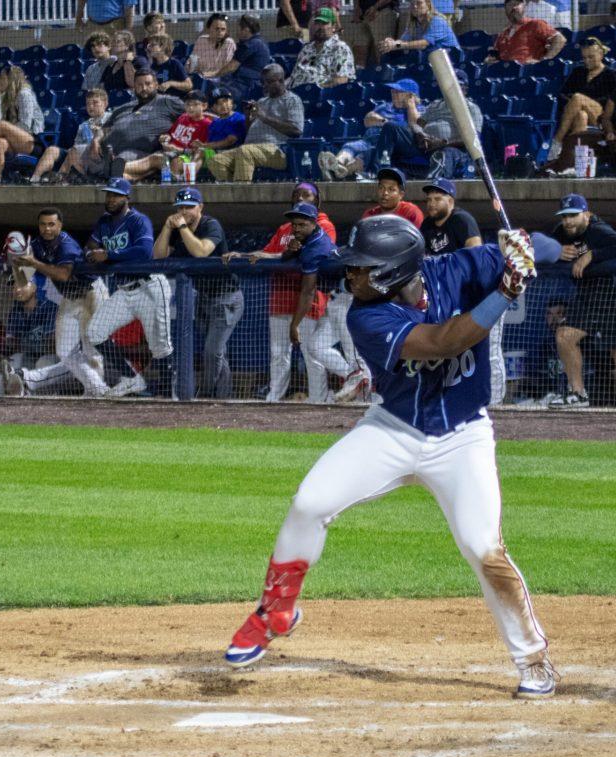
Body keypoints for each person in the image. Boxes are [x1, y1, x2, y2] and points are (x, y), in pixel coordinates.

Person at [222, 215, 564, 703]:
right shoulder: (365, 317)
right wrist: (506, 292)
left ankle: (534, 660)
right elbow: (445, 341)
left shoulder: (461, 267)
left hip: (464, 438)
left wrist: (525, 249)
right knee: (310, 502)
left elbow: (547, 245)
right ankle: (276, 610)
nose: (351, 276)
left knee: (482, 547)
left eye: (361, 268)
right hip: (393, 429)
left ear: (392, 271)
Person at [224, 182, 338, 403]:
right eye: (297, 195)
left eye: (307, 195)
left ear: (317, 200)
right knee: (278, 354)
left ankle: (318, 400)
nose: (301, 198)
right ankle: (273, 400)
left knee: (311, 355)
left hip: (308, 300)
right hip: (281, 297)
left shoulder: (323, 225)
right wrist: (242, 254)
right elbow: (267, 254)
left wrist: (296, 251)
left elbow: (320, 256)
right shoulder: (285, 228)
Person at [250, 202, 354, 404]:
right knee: (316, 347)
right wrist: (289, 250)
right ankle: (357, 379)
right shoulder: (310, 239)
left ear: (313, 223)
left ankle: (365, 384)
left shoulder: (316, 247)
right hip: (336, 299)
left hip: (347, 300)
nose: (296, 228)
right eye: (294, 224)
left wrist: (294, 325)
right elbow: (288, 256)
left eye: (301, 224)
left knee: (353, 353)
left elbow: (307, 292)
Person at [547, 193, 616, 410]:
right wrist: (556, 250)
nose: (568, 221)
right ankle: (578, 394)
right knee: (564, 336)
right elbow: (539, 245)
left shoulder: (597, 229)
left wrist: (591, 255)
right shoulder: (561, 233)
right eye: (564, 216)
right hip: (589, 294)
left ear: (586, 214)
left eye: (573, 215)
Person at [9, 207, 110, 397]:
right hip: (70, 297)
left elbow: (63, 275)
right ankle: (99, 389)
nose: (47, 229)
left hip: (92, 293)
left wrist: (34, 263)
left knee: (92, 350)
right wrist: (17, 264)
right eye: (43, 224)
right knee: (64, 351)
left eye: (51, 224)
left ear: (60, 225)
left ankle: (95, 392)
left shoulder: (67, 244)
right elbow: (23, 282)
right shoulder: (37, 245)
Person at [84, 178, 171, 398]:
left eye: (116, 195)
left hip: (149, 286)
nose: (111, 199)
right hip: (125, 290)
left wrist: (109, 255)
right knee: (95, 332)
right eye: (109, 194)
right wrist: (90, 254)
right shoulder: (104, 222)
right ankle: (132, 379)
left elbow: (144, 251)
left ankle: (171, 393)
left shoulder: (138, 220)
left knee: (159, 346)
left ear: (126, 198)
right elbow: (91, 246)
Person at [153, 188, 241, 400]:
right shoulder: (176, 229)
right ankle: (223, 398)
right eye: (180, 207)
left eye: (189, 207)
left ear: (200, 207)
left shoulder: (211, 225)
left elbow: (201, 252)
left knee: (212, 351)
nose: (184, 211)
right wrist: (167, 227)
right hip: (204, 298)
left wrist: (182, 226)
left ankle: (206, 396)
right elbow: (158, 256)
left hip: (226, 297)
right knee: (218, 353)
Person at [419, 178, 498, 405]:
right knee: (451, 346)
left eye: (438, 198)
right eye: (429, 199)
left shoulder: (462, 220)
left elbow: (478, 258)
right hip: (452, 298)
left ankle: (497, 401)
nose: (432, 203)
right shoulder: (426, 227)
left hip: (482, 294)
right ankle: (449, 395)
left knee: (488, 348)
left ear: (450, 201)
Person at [204, 65, 303, 182]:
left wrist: (264, 117)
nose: (265, 85)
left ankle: (241, 193)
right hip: (250, 148)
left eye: (269, 82)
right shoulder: (262, 101)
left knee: (245, 151)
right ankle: (236, 193)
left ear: (281, 81)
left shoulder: (292, 100)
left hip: (278, 150)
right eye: (263, 82)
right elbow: (249, 130)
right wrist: (247, 117)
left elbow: (296, 131)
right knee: (215, 161)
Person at [318, 78, 425, 180]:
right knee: (350, 146)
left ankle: (337, 171)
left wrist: (411, 106)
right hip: (368, 140)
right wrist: (385, 122)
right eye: (393, 91)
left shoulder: (419, 110)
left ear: (410, 95)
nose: (393, 94)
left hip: (388, 146)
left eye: (398, 92)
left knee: (367, 153)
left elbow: (416, 127)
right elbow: (368, 120)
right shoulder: (386, 107)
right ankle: (336, 163)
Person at [100, 70, 185, 182]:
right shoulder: (123, 108)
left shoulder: (167, 102)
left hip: (141, 152)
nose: (144, 88)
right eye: (139, 85)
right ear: (134, 87)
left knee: (119, 166)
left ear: (156, 85)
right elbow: (104, 129)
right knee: (75, 152)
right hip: (109, 154)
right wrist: (97, 139)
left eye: (148, 84)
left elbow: (195, 114)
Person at [545, 37, 616, 164]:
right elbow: (563, 93)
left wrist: (583, 102)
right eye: (584, 58)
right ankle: (575, 162)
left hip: (602, 117)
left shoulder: (612, 75)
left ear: (601, 54)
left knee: (578, 98)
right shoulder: (578, 72)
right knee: (581, 116)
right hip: (576, 114)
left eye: (591, 57)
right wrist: (578, 105)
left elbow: (612, 100)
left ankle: (557, 141)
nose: (587, 61)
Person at [411, 69, 483, 180]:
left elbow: (474, 139)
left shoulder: (471, 108)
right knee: (393, 128)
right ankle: (377, 171)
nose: (450, 89)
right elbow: (418, 124)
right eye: (447, 86)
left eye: (455, 86)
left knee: (445, 153)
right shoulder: (435, 105)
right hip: (426, 144)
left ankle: (436, 184)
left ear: (465, 89)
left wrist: (443, 143)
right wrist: (420, 134)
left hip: (454, 149)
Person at [31, 88, 110, 184]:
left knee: (74, 153)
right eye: (88, 103)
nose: (91, 106)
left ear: (105, 103)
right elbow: (77, 144)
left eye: (95, 103)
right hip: (79, 155)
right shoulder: (83, 125)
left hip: (99, 157)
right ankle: (34, 180)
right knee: (52, 150)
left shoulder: (111, 119)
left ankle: (58, 181)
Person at [0, 65, 45, 186]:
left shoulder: (24, 94)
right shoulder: (6, 98)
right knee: (0, 143)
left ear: (10, 78)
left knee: (1, 125)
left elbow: (26, 126)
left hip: (33, 142)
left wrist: (5, 129)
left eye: (2, 77)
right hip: (17, 141)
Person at [2, 275, 63, 394]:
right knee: (13, 360)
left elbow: (51, 346)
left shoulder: (50, 308)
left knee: (44, 362)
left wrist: (22, 344)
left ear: (34, 287)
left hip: (52, 357)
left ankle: (46, 403)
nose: (17, 290)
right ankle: (16, 398)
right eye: (14, 287)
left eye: (21, 285)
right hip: (29, 355)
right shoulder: (15, 311)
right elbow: (10, 344)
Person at [286, 8, 356, 90]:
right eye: (317, 23)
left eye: (324, 23)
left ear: (334, 26)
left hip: (318, 97)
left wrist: (318, 90)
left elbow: (341, 79)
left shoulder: (340, 48)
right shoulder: (306, 48)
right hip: (295, 94)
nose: (320, 27)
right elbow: (293, 76)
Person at [208, 15, 271, 102]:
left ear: (246, 30)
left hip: (246, 87)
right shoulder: (259, 41)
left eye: (238, 28)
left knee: (211, 92)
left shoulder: (251, 44)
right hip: (245, 83)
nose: (236, 31)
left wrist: (213, 75)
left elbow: (231, 67)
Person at [486, 0, 566, 65]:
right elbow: (495, 56)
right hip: (506, 74)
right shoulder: (503, 34)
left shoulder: (536, 24)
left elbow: (560, 39)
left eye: (517, 4)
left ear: (524, 7)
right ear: (506, 10)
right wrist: (489, 61)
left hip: (529, 73)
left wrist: (544, 60)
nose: (514, 7)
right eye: (510, 5)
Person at [379, 0, 460, 58]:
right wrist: (392, 43)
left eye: (419, 3)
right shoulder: (414, 24)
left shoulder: (437, 21)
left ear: (428, 4)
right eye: (412, 3)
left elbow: (423, 44)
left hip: (450, 60)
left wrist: (396, 45)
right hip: (431, 60)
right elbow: (403, 41)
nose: (415, 6)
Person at [350, 0, 400, 68]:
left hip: (383, 10)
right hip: (362, 14)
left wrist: (375, 7)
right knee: (358, 48)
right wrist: (356, 7)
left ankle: (384, 76)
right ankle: (360, 76)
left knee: (382, 49)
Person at [188, 13, 237, 78]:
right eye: (217, 29)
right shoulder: (201, 40)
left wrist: (210, 74)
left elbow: (228, 69)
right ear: (208, 29)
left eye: (223, 29)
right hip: (201, 78)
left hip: (221, 79)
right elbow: (192, 63)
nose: (220, 32)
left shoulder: (229, 43)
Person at [144, 33, 192, 98]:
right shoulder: (152, 66)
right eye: (149, 45)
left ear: (162, 47)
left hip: (173, 101)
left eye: (152, 45)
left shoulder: (174, 64)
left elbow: (189, 85)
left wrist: (170, 83)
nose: (149, 48)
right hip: (157, 101)